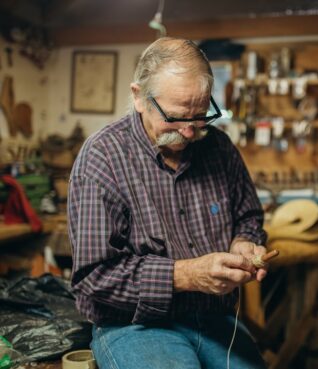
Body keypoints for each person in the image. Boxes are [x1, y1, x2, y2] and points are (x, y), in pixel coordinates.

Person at [68, 37, 268, 369]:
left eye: (200, 117)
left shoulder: (219, 148)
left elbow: (248, 216)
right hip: (135, 325)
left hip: (215, 319)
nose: (190, 133)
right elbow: (94, 275)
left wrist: (245, 242)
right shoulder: (102, 157)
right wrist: (187, 275)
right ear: (138, 97)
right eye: (175, 118)